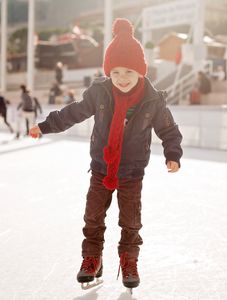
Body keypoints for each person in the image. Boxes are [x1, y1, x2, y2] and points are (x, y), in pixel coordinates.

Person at [29, 18, 183, 290]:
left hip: (132, 172)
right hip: (101, 167)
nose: (122, 79)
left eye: (129, 72)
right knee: (93, 217)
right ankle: (92, 259)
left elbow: (169, 130)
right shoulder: (99, 93)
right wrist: (44, 126)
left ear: (141, 72)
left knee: (131, 221)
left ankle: (128, 261)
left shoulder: (153, 100)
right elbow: (72, 113)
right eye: (116, 73)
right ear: (108, 73)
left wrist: (173, 153)